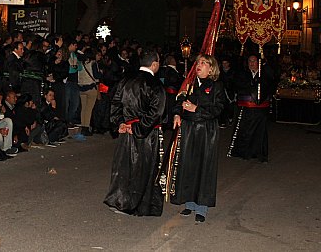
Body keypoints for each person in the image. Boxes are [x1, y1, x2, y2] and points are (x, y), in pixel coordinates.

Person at [104, 48, 165, 216]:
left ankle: (120, 201)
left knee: (124, 166)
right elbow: (156, 112)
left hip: (127, 131)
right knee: (144, 168)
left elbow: (115, 102)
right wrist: (138, 128)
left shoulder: (125, 80)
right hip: (145, 134)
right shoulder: (155, 84)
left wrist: (120, 123)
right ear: (154, 64)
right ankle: (136, 205)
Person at [170, 54, 225, 223]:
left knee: (204, 166)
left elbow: (219, 109)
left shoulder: (216, 86)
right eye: (198, 63)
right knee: (188, 165)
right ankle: (189, 203)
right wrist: (177, 114)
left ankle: (202, 206)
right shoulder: (190, 84)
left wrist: (197, 109)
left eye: (203, 63)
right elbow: (178, 101)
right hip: (189, 129)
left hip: (206, 131)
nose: (199, 65)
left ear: (211, 68)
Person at [228, 54, 274, 162]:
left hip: (260, 109)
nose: (251, 63)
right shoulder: (243, 74)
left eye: (254, 61)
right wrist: (252, 85)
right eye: (250, 61)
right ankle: (244, 152)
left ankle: (259, 153)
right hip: (246, 107)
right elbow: (238, 85)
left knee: (260, 131)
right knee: (245, 130)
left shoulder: (265, 74)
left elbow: (270, 84)